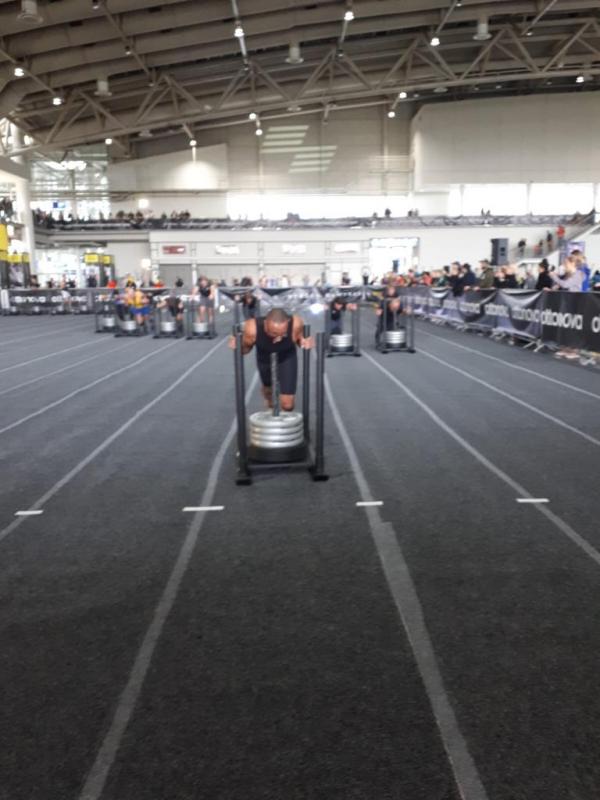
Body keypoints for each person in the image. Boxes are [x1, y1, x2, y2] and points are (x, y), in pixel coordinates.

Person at [229, 308, 313, 412]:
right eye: (274, 333)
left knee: (288, 405)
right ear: (265, 324)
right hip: (264, 357)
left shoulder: (296, 324)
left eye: (282, 333)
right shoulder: (252, 329)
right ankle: (269, 403)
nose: (278, 338)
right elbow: (245, 350)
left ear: (287, 323)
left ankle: (284, 419)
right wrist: (238, 345)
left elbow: (300, 340)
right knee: (270, 396)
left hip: (286, 356)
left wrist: (305, 342)